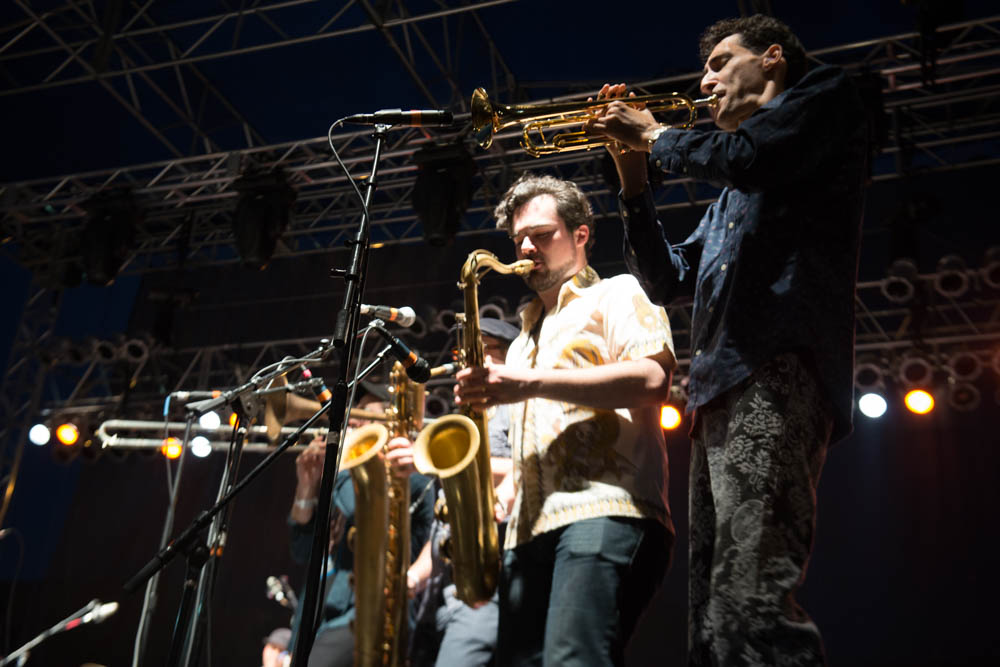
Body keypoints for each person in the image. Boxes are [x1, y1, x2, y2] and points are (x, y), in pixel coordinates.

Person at [587, 14, 870, 666]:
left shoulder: (824, 98)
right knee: (711, 627)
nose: (706, 79)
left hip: (777, 368)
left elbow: (751, 157)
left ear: (772, 57)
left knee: (751, 606)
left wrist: (656, 135)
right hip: (718, 391)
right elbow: (662, 279)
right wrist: (633, 173)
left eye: (720, 62)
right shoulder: (727, 205)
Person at [454, 173, 677, 667]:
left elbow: (651, 380)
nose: (527, 247)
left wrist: (526, 384)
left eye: (542, 234)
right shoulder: (518, 342)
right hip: (527, 530)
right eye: (518, 240)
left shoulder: (618, 293)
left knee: (573, 660)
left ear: (580, 235)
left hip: (604, 510)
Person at [288, 386, 435, 667]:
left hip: (371, 612)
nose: (353, 422)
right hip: (320, 612)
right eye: (354, 415)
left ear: (391, 424)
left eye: (365, 414)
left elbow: (358, 509)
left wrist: (341, 463)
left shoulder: (410, 476)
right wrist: (307, 485)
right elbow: (301, 550)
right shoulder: (344, 480)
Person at [407, 317, 520, 667]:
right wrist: (413, 575)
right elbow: (445, 525)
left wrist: (465, 463)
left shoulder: (517, 408)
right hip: (438, 597)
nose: (472, 363)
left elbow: (528, 465)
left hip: (484, 589)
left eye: (486, 353)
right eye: (468, 355)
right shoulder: (466, 416)